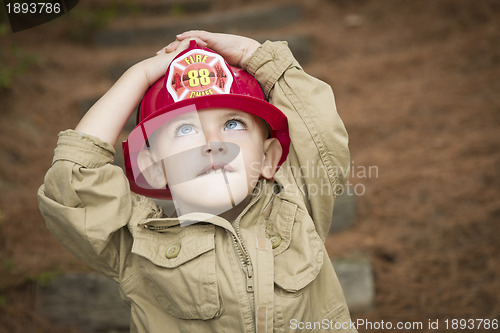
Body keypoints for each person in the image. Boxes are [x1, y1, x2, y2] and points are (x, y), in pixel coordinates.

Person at [38, 30, 357, 332]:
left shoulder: (298, 205)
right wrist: (140, 75)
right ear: (155, 168)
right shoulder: (137, 244)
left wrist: (253, 54)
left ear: (269, 158)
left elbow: (321, 133)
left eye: (233, 124)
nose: (213, 142)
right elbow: (75, 180)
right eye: (186, 130)